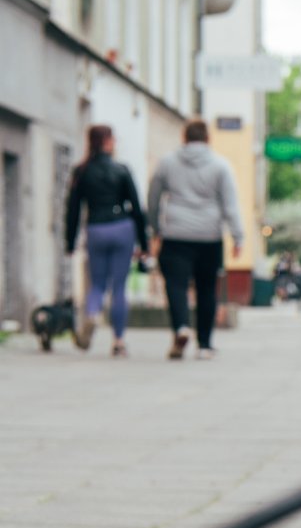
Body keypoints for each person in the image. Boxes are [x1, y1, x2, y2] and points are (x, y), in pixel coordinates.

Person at [148, 119, 244, 360]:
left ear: (184, 137)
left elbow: (153, 197)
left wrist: (155, 227)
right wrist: (237, 236)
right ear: (207, 138)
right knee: (206, 289)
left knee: (176, 285)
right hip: (209, 236)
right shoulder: (221, 166)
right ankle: (204, 345)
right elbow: (230, 203)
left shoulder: (167, 163)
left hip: (176, 234)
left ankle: (181, 326)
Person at [63, 125, 148, 356]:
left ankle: (92, 313)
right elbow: (137, 209)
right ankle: (119, 341)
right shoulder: (122, 170)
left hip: (96, 228)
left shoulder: (81, 171)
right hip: (122, 227)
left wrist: (70, 242)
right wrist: (144, 244)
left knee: (97, 283)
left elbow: (73, 210)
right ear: (108, 142)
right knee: (119, 287)